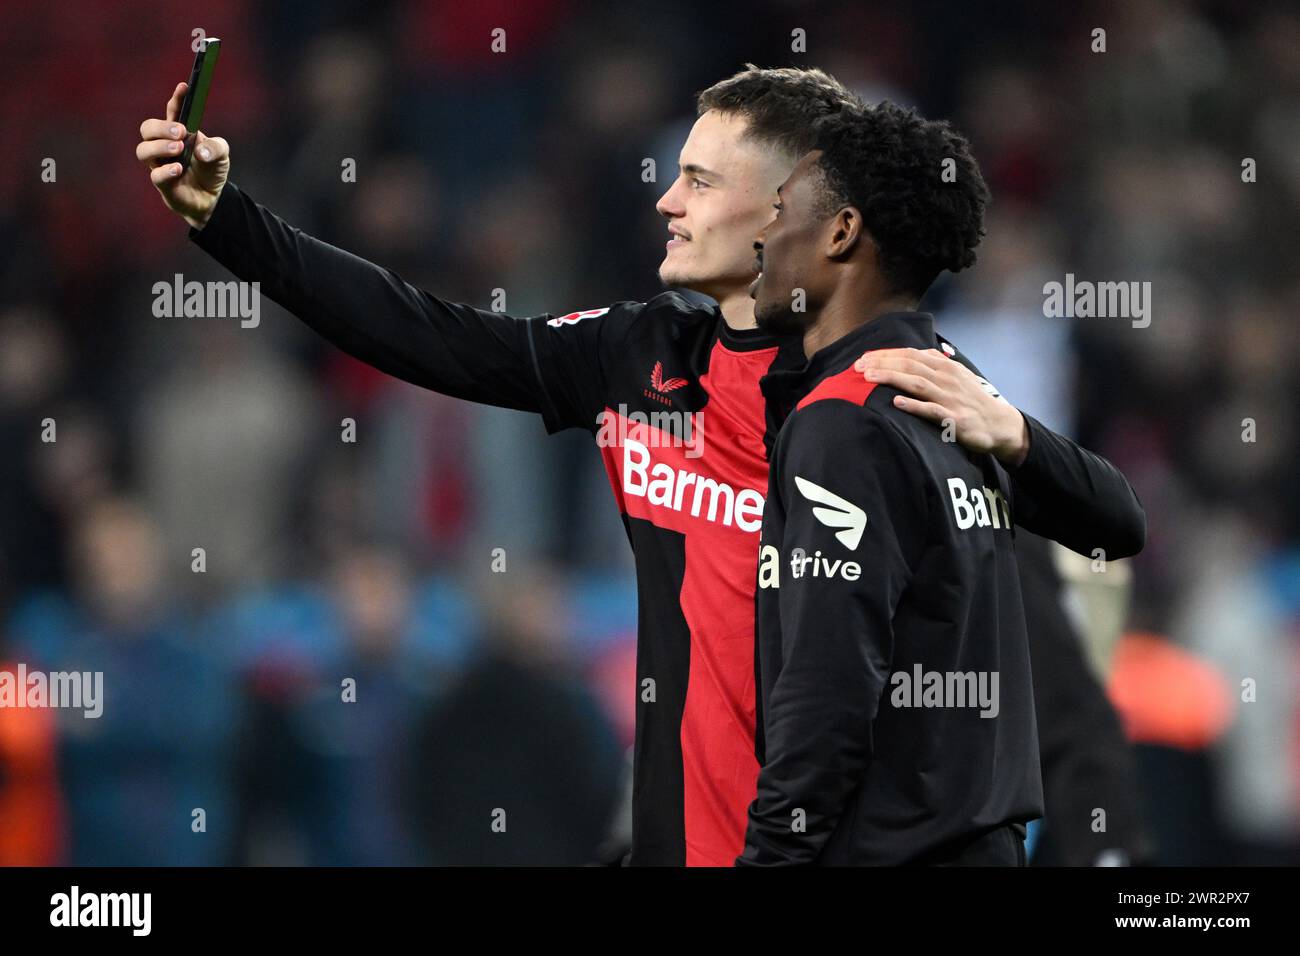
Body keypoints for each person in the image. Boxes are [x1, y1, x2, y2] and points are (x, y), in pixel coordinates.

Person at [136, 66, 1144, 866]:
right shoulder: (634, 356)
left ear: (790, 205)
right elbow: (424, 334)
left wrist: (1014, 429)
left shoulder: (874, 385)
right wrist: (230, 223)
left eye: (701, 178)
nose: (668, 200)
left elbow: (1108, 517)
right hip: (678, 833)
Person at [740, 102, 1054, 865]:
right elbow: (1121, 519)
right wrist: (1022, 435)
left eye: (781, 210)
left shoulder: (843, 420)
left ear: (841, 234)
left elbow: (829, 687)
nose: (761, 234)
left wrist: (770, 858)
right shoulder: (959, 399)